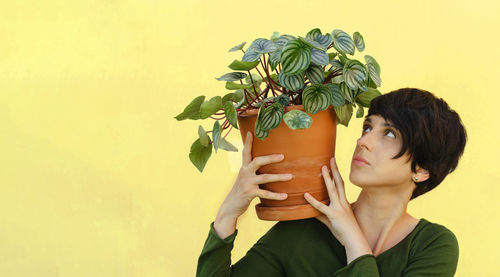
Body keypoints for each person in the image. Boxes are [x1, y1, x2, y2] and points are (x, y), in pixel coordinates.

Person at [196, 88, 467, 276]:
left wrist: (352, 238)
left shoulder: (433, 245)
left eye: (390, 134)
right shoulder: (301, 231)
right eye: (368, 127)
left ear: (421, 170)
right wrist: (227, 214)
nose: (364, 141)